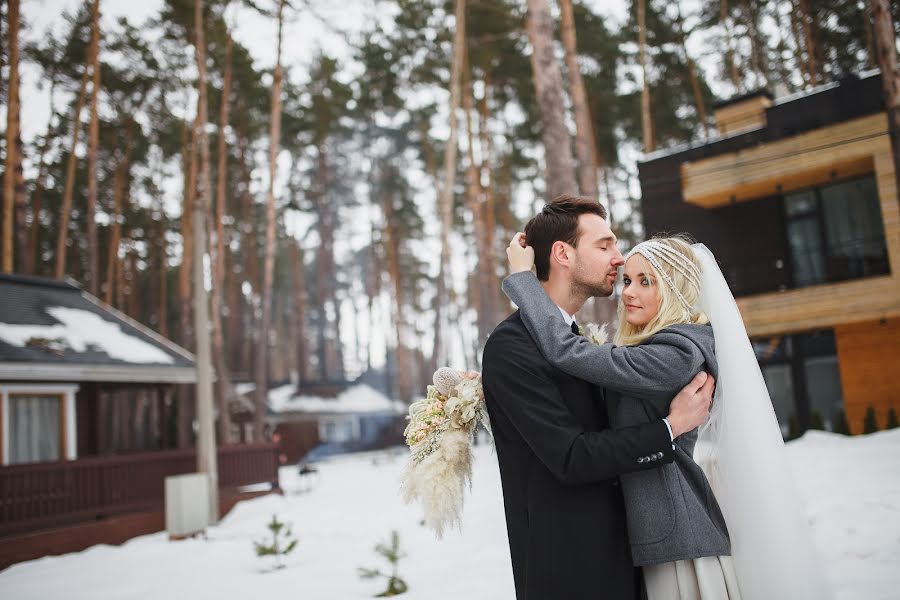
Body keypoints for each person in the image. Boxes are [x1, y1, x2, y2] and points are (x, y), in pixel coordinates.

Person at [503, 230, 831, 600]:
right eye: (627, 280)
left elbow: (567, 352)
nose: (628, 292)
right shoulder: (653, 349)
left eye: (646, 282)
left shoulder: (678, 353)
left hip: (680, 544)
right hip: (657, 540)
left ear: (675, 289)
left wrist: (521, 280)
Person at [481, 195, 715, 600]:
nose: (620, 259)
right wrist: (670, 427)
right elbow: (571, 456)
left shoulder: (577, 342)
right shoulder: (513, 346)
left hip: (630, 559)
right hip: (572, 571)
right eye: (605, 245)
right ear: (562, 254)